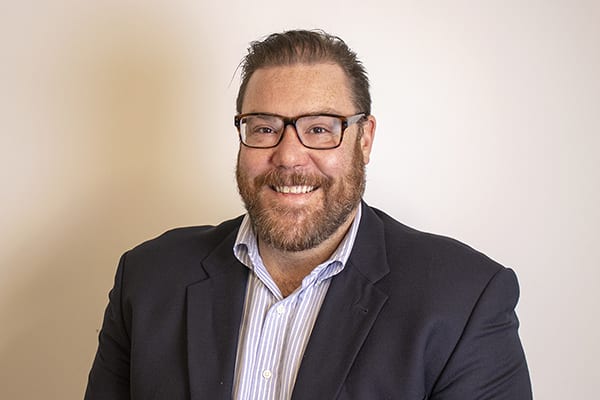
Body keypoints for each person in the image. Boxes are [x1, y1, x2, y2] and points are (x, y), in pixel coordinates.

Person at [85, 30, 532, 399]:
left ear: (365, 139)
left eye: (319, 129)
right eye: (264, 128)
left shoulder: (464, 300)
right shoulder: (147, 278)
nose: (289, 156)